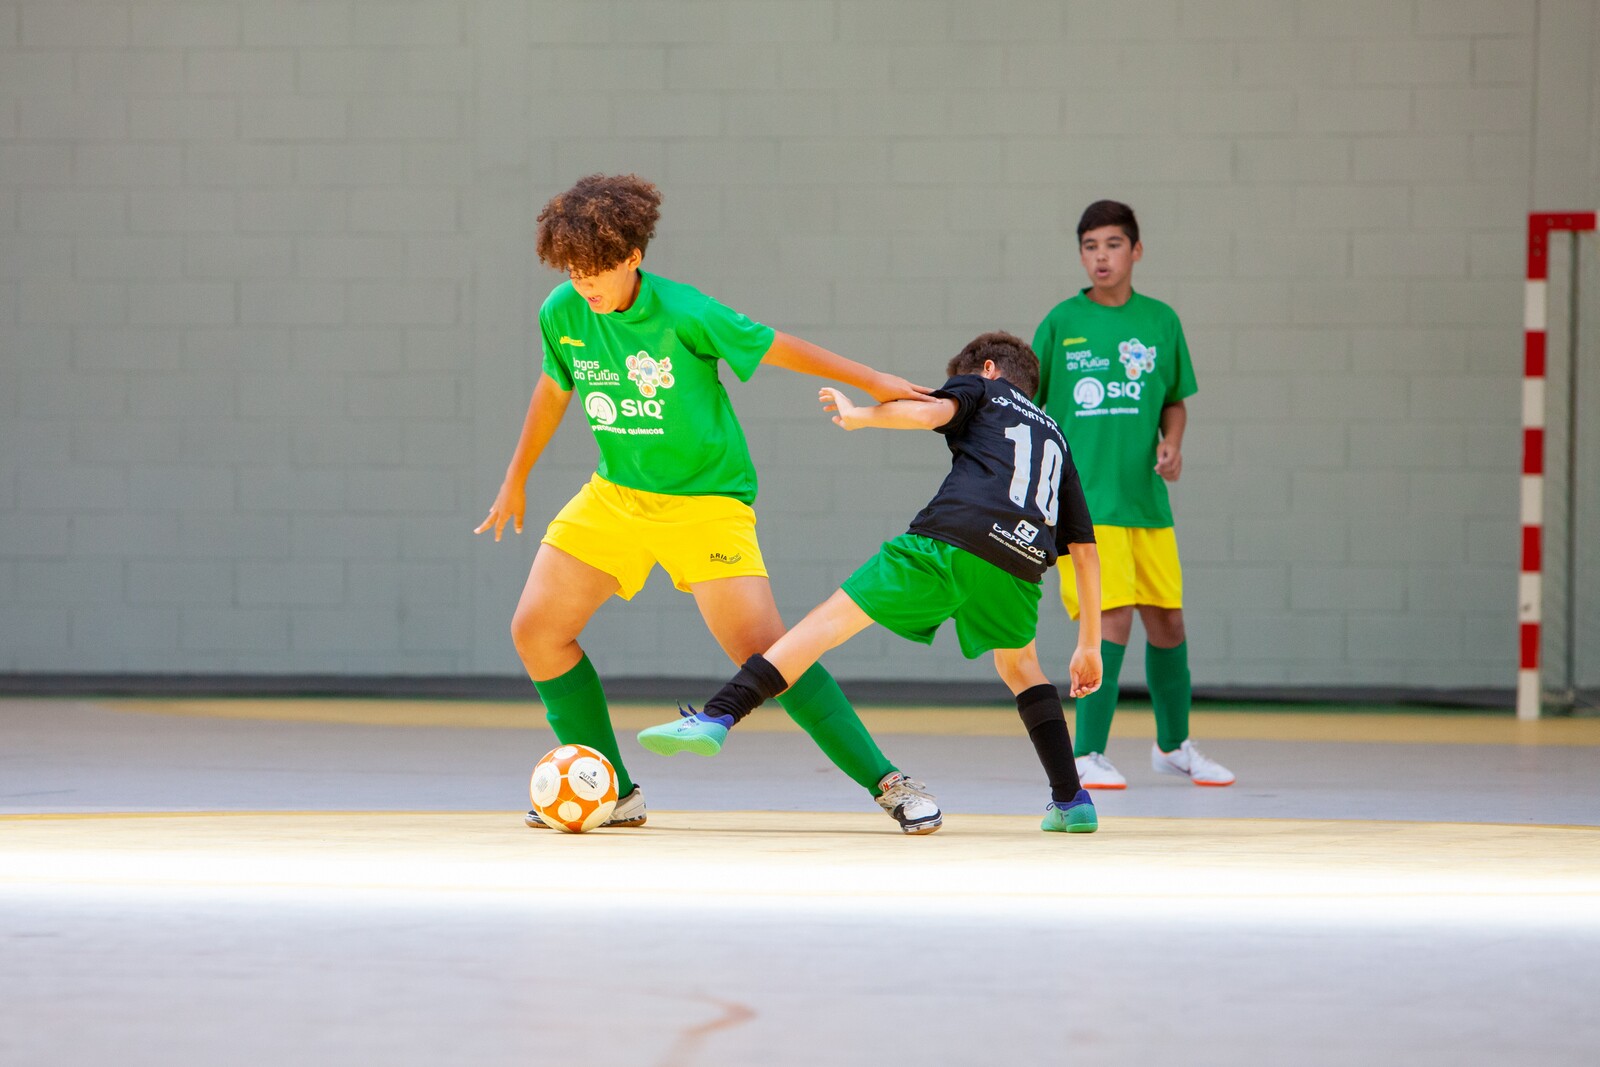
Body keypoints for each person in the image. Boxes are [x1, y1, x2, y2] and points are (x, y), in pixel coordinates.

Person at [475, 173, 941, 833]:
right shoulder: (562, 311)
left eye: (598, 270)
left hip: (706, 503)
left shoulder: (687, 311)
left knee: (767, 650)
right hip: (616, 497)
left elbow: (777, 346)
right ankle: (612, 787)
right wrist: (515, 475)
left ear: (633, 256)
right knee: (536, 630)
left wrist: (873, 381)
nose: (587, 284)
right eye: (575, 270)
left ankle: (889, 781)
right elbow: (555, 390)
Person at [639, 331, 1105, 833]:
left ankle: (717, 715)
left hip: (950, 541)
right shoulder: (1056, 434)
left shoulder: (981, 388)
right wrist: (1089, 644)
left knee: (825, 625)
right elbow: (1085, 550)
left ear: (987, 369)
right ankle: (1071, 799)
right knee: (1021, 666)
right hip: (1020, 566)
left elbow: (927, 412)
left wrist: (861, 416)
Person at [1031, 199, 1234, 789]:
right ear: (1081, 254)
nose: (1101, 256)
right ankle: (1087, 751)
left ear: (1135, 251)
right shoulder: (1062, 323)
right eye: (1090, 246)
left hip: (1146, 504)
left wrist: (1172, 442)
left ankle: (1173, 746)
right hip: (1084, 506)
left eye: (1113, 245)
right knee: (1109, 618)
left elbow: (1174, 400)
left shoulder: (1161, 321)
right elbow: (1027, 402)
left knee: (1167, 622)